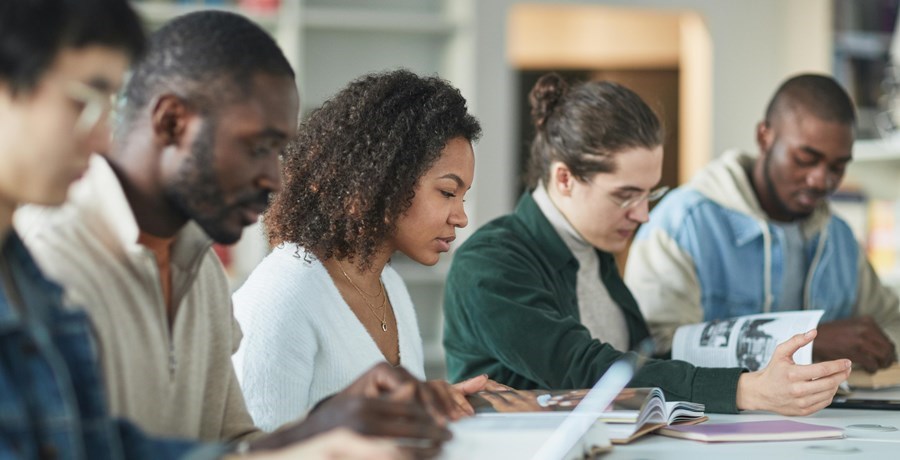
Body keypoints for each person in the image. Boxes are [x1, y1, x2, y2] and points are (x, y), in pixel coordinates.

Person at [15, 9, 450, 458]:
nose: (273, 180)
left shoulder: (201, 268)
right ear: (171, 123)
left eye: (279, 153)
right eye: (258, 148)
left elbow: (231, 445)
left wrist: (326, 424)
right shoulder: (48, 262)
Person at [442, 73, 852, 416]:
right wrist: (747, 390)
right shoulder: (490, 262)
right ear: (564, 178)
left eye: (649, 195)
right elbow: (585, 369)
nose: (643, 215)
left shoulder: (595, 253)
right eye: (625, 195)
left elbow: (641, 367)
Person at [232, 69, 503, 431]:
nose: (462, 217)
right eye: (447, 193)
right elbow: (259, 450)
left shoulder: (391, 287)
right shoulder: (283, 295)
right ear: (383, 179)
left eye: (463, 196)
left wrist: (436, 403)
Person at [624, 74, 900, 373]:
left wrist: (877, 345)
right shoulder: (681, 224)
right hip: (711, 420)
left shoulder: (839, 238)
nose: (821, 179)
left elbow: (892, 320)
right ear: (764, 137)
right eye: (805, 159)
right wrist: (805, 342)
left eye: (838, 166)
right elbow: (654, 350)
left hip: (830, 418)